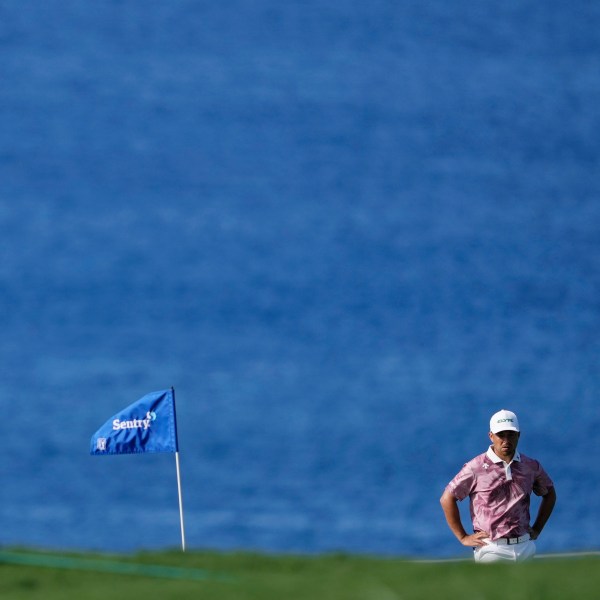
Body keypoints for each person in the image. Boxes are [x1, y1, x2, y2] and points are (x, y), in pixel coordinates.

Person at [440, 409, 556, 563]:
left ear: (518, 435)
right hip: (491, 549)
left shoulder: (530, 466)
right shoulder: (476, 467)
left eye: (511, 435)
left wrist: (537, 529)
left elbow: (549, 494)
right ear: (491, 436)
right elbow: (447, 498)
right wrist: (463, 537)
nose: (506, 440)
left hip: (524, 546)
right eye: (501, 435)